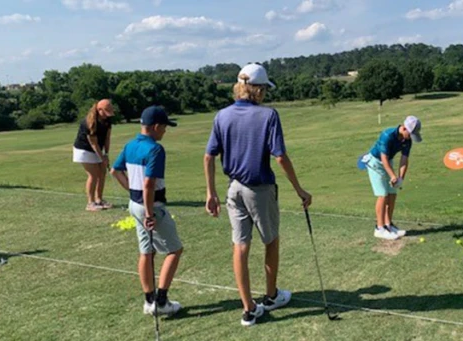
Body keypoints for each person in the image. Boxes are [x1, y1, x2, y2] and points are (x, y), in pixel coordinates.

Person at [204, 63, 312, 327]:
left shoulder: (222, 115)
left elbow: (209, 156)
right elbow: (279, 156)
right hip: (260, 189)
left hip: (233, 189)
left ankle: (248, 309)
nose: (264, 93)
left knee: (240, 246)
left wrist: (210, 192)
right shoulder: (269, 116)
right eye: (263, 88)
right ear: (258, 89)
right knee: (271, 241)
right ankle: (272, 296)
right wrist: (299, 189)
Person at [110, 105, 182, 316]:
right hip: (152, 207)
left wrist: (133, 192)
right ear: (156, 126)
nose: (165, 131)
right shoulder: (155, 149)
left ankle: (149, 301)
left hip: (135, 205)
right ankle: (161, 301)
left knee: (146, 251)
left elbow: (115, 171)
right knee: (174, 250)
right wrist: (150, 212)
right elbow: (149, 183)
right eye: (164, 127)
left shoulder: (130, 145)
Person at [361, 116, 422, 240]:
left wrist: (400, 178)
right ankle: (379, 228)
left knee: (392, 193)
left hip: (388, 162)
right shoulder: (387, 135)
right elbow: (383, 158)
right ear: (404, 128)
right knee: (383, 194)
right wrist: (393, 176)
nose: (410, 137)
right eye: (410, 133)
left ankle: (388, 225)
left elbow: (404, 159)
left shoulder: (407, 140)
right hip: (375, 163)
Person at [72, 99, 115, 211]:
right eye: (106, 112)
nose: (107, 115)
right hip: (84, 150)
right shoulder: (90, 122)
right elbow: (93, 143)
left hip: (97, 149)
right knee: (93, 175)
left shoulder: (107, 121)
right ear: (99, 109)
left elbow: (107, 138)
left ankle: (99, 200)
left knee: (102, 173)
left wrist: (106, 154)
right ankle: (90, 203)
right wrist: (102, 158)